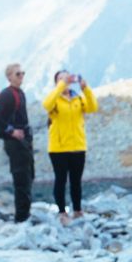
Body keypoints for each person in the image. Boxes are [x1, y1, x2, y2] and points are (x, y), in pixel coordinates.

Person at [42, 70, 98, 226]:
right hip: (58, 148)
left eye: (67, 78)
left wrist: (85, 89)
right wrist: (61, 86)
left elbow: (93, 107)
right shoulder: (54, 99)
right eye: (61, 78)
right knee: (60, 180)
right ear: (56, 83)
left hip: (78, 146)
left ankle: (78, 211)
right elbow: (46, 104)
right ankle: (62, 212)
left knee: (76, 181)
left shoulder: (77, 98)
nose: (65, 80)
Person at [0, 63, 35, 222]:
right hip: (14, 143)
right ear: (9, 77)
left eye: (22, 73)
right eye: (18, 74)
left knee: (28, 175)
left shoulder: (20, 93)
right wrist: (11, 131)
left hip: (23, 140)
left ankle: (25, 213)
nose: (21, 76)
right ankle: (21, 217)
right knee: (21, 177)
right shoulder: (7, 94)